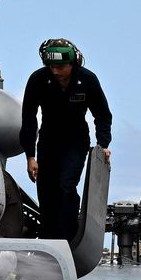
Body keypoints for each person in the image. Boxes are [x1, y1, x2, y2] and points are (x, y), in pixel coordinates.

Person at [19, 37, 112, 244]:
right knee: (46, 189)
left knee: (66, 185)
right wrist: (30, 156)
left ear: (73, 63)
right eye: (51, 66)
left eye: (60, 67)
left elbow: (103, 115)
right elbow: (28, 118)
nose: (56, 72)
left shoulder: (87, 80)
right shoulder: (37, 80)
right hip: (48, 140)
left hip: (76, 141)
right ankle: (47, 239)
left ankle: (68, 237)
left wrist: (103, 145)